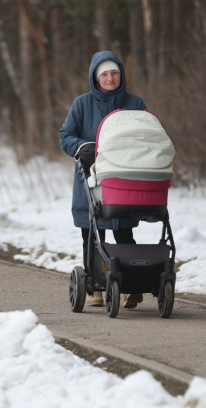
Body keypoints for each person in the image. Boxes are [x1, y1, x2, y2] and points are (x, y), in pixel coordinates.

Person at [58, 51, 146, 308]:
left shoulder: (135, 103)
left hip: (124, 179)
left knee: (123, 230)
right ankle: (95, 286)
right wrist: (83, 147)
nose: (110, 78)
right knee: (92, 233)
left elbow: (147, 134)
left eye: (114, 73)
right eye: (104, 74)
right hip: (92, 180)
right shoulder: (82, 104)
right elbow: (65, 135)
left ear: (122, 74)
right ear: (96, 77)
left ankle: (131, 285)